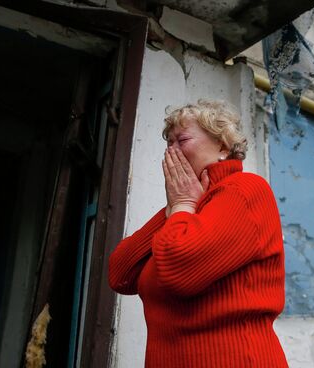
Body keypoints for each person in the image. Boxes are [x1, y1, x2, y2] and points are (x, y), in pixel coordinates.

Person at [108, 99, 288, 367]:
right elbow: (119, 274)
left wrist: (181, 204)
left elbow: (179, 270)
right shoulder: (187, 211)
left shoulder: (245, 190)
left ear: (223, 147)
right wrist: (177, 205)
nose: (171, 152)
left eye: (181, 140)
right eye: (168, 144)